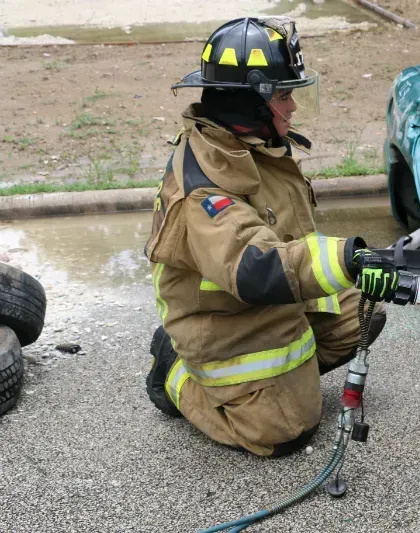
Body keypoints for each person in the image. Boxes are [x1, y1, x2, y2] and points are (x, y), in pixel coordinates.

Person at [143, 16, 398, 457]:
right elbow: (254, 265)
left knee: (366, 311)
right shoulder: (205, 188)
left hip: (265, 303)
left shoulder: (249, 146)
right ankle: (176, 373)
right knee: (286, 431)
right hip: (223, 319)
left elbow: (286, 232)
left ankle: (276, 384)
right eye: (284, 96)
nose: (293, 108)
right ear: (252, 104)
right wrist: (347, 258)